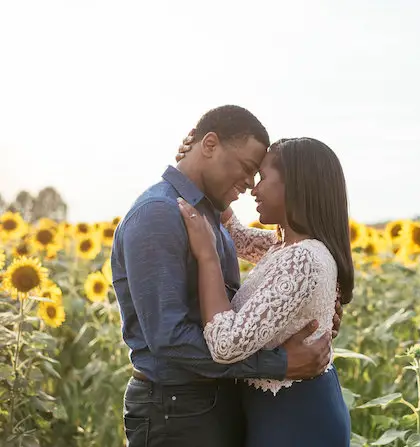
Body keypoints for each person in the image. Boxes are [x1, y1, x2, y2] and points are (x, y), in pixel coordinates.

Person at [111, 106, 343, 447]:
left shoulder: (208, 214)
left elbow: (283, 260)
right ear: (210, 145)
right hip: (177, 409)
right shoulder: (159, 214)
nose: (251, 184)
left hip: (217, 402)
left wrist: (311, 315)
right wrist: (278, 363)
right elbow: (170, 340)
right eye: (249, 169)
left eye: (259, 175)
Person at [177, 136, 353, 446]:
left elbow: (225, 345)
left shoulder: (303, 258)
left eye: (263, 178)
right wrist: (201, 169)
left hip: (295, 421)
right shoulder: (286, 248)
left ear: (296, 186)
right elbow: (239, 237)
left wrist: (207, 256)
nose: (253, 189)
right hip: (285, 412)